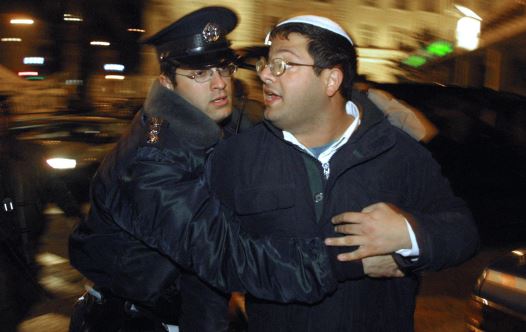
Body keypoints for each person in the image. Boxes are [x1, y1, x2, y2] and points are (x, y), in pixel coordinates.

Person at [69, 7, 360, 332]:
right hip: (133, 322)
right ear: (166, 81)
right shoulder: (151, 161)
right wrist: (343, 260)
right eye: (200, 74)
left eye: (224, 68)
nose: (220, 84)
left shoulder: (209, 123)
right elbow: (223, 252)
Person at [207, 15, 479, 331]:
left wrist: (410, 234)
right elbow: (215, 259)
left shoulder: (397, 152)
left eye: (283, 64)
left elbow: (463, 231)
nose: (266, 74)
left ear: (331, 80)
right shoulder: (235, 158)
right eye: (266, 64)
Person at [1, 113, 81, 332]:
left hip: (26, 241)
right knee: (7, 299)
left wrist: (73, 213)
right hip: (6, 244)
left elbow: (53, 185)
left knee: (24, 295)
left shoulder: (29, 153)